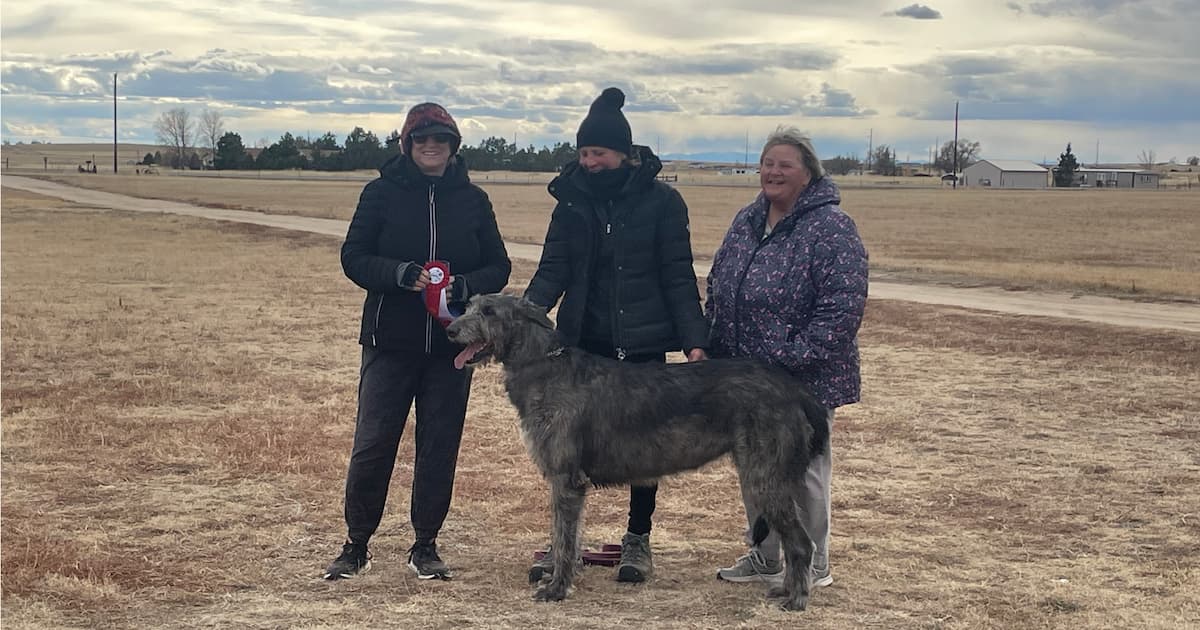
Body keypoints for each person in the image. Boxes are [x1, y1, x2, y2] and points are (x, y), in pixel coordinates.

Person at [523, 87, 709, 583]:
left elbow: (677, 275)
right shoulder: (571, 201)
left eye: (598, 153)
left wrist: (694, 341)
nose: (589, 162)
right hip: (582, 344)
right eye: (584, 153)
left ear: (624, 154)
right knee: (568, 450)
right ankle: (565, 545)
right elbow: (552, 270)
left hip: (643, 344)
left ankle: (637, 540)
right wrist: (525, 316)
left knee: (645, 446)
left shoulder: (663, 202)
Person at [324, 102, 512, 581]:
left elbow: (499, 265)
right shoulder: (380, 194)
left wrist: (466, 285)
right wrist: (399, 274)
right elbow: (354, 257)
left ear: (453, 148)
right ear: (407, 145)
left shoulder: (473, 200)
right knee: (373, 443)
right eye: (422, 139)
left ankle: (425, 544)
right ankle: (356, 544)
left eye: (441, 140)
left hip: (452, 349)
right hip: (389, 341)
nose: (432, 147)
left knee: (439, 446)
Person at [706, 126, 868, 589]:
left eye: (785, 165)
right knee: (754, 467)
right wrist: (713, 339)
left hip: (801, 378)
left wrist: (794, 357)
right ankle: (766, 556)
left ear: (807, 174)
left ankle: (813, 563)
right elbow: (720, 282)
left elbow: (842, 306)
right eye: (767, 163)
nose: (773, 172)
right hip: (745, 377)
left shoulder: (831, 228)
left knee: (803, 471)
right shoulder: (748, 220)